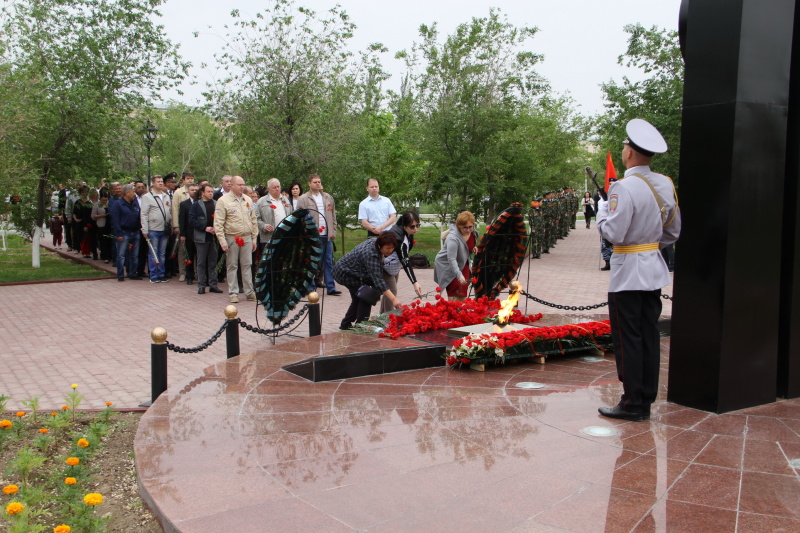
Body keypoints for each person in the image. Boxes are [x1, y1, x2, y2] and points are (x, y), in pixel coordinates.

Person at [596, 118, 681, 422]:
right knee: (648, 334)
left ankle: (633, 402)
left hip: (628, 273)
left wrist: (602, 212)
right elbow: (672, 232)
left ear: (629, 153)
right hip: (653, 271)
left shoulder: (623, 187)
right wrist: (649, 249)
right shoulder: (664, 184)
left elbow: (614, 234)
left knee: (628, 337)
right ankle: (645, 397)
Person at [333, 232, 403, 329]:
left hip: (353, 271)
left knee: (358, 298)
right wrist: (394, 299)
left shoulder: (376, 242)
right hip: (345, 273)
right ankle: (360, 326)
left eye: (392, 248)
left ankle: (346, 324)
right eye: (387, 248)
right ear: (379, 245)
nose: (390, 251)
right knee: (367, 297)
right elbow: (377, 280)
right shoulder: (371, 254)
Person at [214, 176, 258, 303]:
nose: (242, 187)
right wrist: (222, 241)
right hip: (232, 237)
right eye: (239, 184)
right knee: (232, 265)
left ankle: (249, 291)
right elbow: (218, 223)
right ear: (232, 185)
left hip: (247, 237)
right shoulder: (223, 201)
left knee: (247, 265)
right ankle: (233, 292)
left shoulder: (247, 199)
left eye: (243, 184)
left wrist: (254, 238)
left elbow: (253, 220)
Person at [296, 173, 341, 295]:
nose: (318, 183)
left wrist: (333, 230)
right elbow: (299, 218)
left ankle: (330, 287)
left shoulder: (328, 197)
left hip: (327, 236)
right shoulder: (303, 199)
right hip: (312, 236)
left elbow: (333, 216)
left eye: (319, 181)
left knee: (328, 262)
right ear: (309, 184)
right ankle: (311, 288)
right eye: (315, 182)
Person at [380, 210, 424, 313]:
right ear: (404, 226)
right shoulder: (397, 238)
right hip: (385, 266)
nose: (416, 229)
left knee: (390, 293)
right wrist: (415, 282)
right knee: (391, 292)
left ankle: (382, 317)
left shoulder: (407, 233)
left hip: (393, 266)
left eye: (417, 225)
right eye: (412, 227)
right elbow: (405, 261)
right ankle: (386, 319)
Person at [434, 210, 478, 301]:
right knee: (455, 289)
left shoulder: (473, 233)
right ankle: (453, 312)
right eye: (465, 228)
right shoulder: (453, 238)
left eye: (471, 227)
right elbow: (451, 259)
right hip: (449, 265)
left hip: (463, 262)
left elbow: (467, 246)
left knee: (463, 288)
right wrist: (459, 275)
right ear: (459, 226)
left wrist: (473, 248)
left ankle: (461, 312)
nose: (468, 230)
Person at [189, 183, 223, 294]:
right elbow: (192, 220)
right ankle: (201, 285)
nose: (210, 193)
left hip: (213, 237)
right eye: (208, 191)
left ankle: (213, 284)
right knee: (201, 262)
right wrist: (204, 228)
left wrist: (216, 229)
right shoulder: (196, 205)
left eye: (212, 192)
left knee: (213, 262)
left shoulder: (216, 204)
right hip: (201, 237)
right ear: (202, 192)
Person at [140, 175, 172, 284]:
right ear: (153, 183)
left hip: (164, 229)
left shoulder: (166, 196)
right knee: (153, 252)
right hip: (153, 228)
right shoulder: (147, 197)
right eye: (158, 181)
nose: (160, 183)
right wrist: (144, 229)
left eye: (161, 181)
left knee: (162, 253)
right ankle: (153, 274)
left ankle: (162, 274)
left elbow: (169, 211)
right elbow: (143, 214)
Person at [110, 184, 142, 281]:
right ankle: (120, 275)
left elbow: (138, 215)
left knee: (134, 255)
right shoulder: (118, 204)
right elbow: (115, 220)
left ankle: (132, 273)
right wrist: (118, 234)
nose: (134, 194)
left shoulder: (135, 203)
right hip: (124, 232)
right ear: (127, 193)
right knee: (121, 255)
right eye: (133, 192)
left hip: (135, 231)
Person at [178, 183, 199, 284]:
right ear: (188, 192)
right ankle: (189, 276)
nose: (194, 191)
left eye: (196, 190)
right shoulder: (184, 204)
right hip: (189, 234)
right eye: (192, 190)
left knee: (199, 256)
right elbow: (182, 221)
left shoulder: (201, 203)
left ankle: (200, 275)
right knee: (189, 256)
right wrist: (182, 234)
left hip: (200, 233)